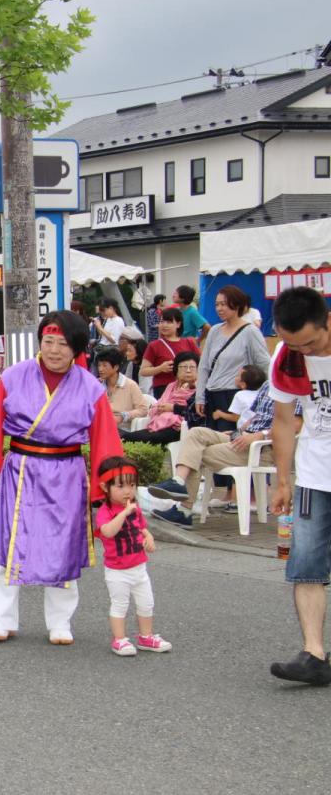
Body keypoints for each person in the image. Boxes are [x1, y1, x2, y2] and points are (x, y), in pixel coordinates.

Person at [0, 310, 122, 645]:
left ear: (77, 348)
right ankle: (3, 619)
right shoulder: (13, 377)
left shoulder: (90, 388)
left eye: (62, 344)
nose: (53, 350)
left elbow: (104, 438)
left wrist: (107, 486)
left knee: (63, 547)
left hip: (67, 473)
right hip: (21, 469)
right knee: (10, 545)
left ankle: (60, 622)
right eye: (48, 341)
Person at [266, 286, 331, 685]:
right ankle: (314, 654)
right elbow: (283, 422)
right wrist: (283, 480)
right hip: (315, 472)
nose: (303, 352)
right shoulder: (286, 358)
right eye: (294, 345)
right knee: (305, 563)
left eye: (311, 343)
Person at [148, 375, 276, 529]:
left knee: (196, 453)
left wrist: (261, 434)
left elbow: (294, 426)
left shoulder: (294, 390)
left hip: (262, 447)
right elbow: (255, 417)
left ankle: (184, 510)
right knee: (196, 433)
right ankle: (178, 482)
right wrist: (238, 431)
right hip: (243, 437)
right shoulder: (268, 384)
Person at [94, 457, 171, 657]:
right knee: (120, 604)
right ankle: (119, 639)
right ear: (105, 486)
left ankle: (146, 636)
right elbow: (107, 531)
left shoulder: (134, 509)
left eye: (132, 485)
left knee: (147, 603)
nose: (128, 491)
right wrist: (124, 513)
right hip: (117, 570)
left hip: (139, 567)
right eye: (120, 486)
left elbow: (142, 528)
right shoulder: (106, 511)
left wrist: (149, 537)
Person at [196, 285, 270, 433]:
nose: (219, 308)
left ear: (236, 305)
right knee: (209, 438)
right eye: (217, 304)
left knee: (227, 441)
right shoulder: (215, 331)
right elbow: (204, 366)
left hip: (235, 394)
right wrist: (200, 396)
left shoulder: (250, 331)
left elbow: (265, 365)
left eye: (223, 304)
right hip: (212, 393)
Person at [121, 351, 199, 446]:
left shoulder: (200, 389)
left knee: (148, 438)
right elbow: (159, 404)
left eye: (192, 367)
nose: (188, 370)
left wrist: (172, 408)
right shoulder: (171, 386)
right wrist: (160, 408)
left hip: (179, 427)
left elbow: (195, 412)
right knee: (126, 437)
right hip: (160, 424)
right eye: (183, 367)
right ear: (176, 370)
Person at [140, 307, 200, 398]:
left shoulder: (189, 342)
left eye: (169, 322)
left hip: (188, 387)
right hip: (163, 388)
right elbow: (143, 371)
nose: (164, 325)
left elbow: (201, 365)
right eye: (162, 321)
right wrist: (160, 368)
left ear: (178, 324)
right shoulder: (154, 345)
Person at [95, 347, 149, 431]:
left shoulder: (130, 385)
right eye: (99, 365)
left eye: (104, 365)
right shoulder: (97, 385)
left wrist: (123, 416)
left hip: (123, 429)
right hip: (100, 426)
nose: (100, 369)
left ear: (116, 367)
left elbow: (143, 410)